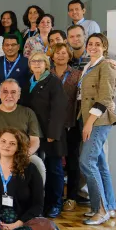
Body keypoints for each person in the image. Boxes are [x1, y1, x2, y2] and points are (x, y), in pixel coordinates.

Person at [78, 33, 116, 225]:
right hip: (89, 119)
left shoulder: (106, 65)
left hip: (99, 121)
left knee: (87, 162)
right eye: (90, 43)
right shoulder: (89, 65)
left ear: (104, 47)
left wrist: (88, 123)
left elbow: (104, 98)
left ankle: (100, 210)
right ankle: (107, 207)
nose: (93, 46)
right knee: (100, 164)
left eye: (97, 44)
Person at [26, 52, 67, 218]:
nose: (36, 64)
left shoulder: (53, 81)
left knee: (54, 169)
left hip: (50, 134)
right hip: (34, 134)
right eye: (33, 61)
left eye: (40, 61)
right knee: (39, 169)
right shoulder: (28, 82)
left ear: (46, 64)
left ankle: (56, 204)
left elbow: (59, 109)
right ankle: (42, 205)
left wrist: (52, 133)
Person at [0, 79, 45, 183]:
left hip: (24, 154)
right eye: (5, 92)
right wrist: (3, 155)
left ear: (19, 95)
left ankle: (39, 197)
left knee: (38, 163)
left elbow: (35, 141)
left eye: (13, 92)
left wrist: (24, 155)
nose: (9, 96)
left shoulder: (28, 113)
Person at [50, 43, 83, 212]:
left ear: (69, 55)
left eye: (64, 53)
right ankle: (53, 197)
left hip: (71, 124)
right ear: (52, 56)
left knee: (72, 161)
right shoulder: (47, 74)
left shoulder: (77, 75)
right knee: (53, 162)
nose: (61, 56)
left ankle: (71, 197)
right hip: (52, 125)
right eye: (57, 53)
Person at [0, 34, 29, 106]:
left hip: (20, 106)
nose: (10, 48)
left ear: (18, 47)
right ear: (3, 47)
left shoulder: (27, 63)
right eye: (7, 45)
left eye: (13, 45)